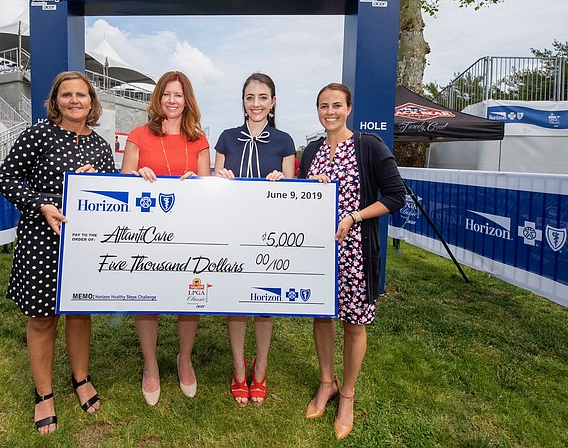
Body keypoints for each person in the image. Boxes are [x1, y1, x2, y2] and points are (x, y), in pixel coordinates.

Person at [0, 71, 116, 434]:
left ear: (92, 102)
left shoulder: (100, 144)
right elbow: (7, 178)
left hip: (84, 242)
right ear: (55, 100)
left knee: (79, 312)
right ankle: (44, 394)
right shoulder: (37, 135)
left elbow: (113, 192)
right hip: (41, 239)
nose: (75, 100)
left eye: (82, 94)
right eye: (67, 95)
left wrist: (97, 179)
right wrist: (40, 205)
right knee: (42, 318)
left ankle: (81, 379)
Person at [298, 83, 405, 440]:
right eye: (324, 106)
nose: (330, 112)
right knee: (322, 315)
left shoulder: (368, 146)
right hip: (318, 249)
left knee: (354, 324)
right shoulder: (311, 150)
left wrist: (355, 216)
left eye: (337, 105)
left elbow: (395, 196)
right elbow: (299, 195)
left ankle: (347, 395)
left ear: (349, 108)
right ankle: (326, 383)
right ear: (317, 110)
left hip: (355, 250)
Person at [120, 70, 210, 405]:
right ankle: (151, 364)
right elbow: (123, 184)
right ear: (158, 98)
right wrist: (135, 176)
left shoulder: (198, 139)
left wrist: (196, 182)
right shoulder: (138, 135)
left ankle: (184, 358)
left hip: (188, 231)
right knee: (148, 295)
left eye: (179, 95)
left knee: (190, 293)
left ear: (188, 100)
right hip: (147, 233)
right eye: (166, 94)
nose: (172, 101)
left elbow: (206, 186)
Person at [213, 72, 295, 407]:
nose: (256, 103)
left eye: (263, 97)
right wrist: (218, 178)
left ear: (273, 102)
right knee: (235, 301)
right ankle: (237, 368)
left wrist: (283, 181)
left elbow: (294, 194)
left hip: (269, 235)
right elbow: (213, 186)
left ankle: (260, 367)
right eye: (250, 97)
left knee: (264, 301)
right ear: (243, 101)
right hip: (232, 230)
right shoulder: (226, 138)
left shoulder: (285, 141)